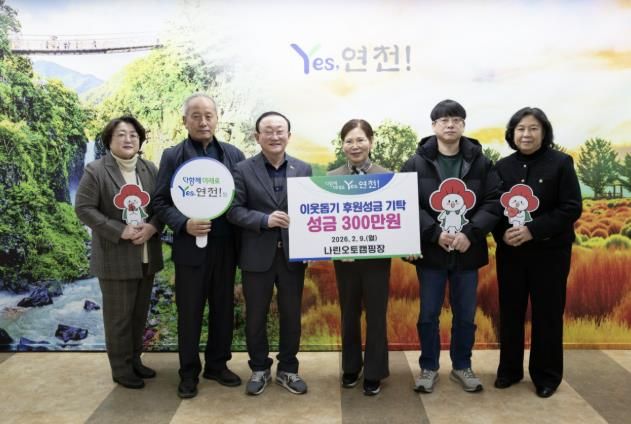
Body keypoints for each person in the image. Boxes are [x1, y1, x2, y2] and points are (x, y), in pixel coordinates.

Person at [401, 99, 502, 393]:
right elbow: (406, 202)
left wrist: (471, 233)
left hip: (468, 251)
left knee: (465, 315)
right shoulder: (415, 163)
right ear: (434, 125)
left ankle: (462, 366)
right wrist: (434, 233)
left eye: (456, 120)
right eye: (444, 120)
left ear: (463, 125)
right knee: (428, 314)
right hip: (432, 252)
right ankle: (428, 367)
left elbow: (494, 201)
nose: (450, 125)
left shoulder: (481, 162)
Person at [152, 93, 245, 399]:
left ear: (217, 119)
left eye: (208, 115)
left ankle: (217, 365)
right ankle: (188, 372)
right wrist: (183, 223)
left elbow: (242, 199)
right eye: (196, 116)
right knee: (190, 312)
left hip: (226, 247)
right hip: (189, 249)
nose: (203, 121)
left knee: (223, 309)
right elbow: (160, 201)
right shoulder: (172, 156)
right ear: (185, 121)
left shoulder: (233, 155)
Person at [493, 107, 582, 398]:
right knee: (510, 312)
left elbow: (571, 207)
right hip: (511, 253)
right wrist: (502, 233)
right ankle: (509, 370)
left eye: (533, 128)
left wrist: (533, 230)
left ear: (544, 132)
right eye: (520, 129)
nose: (526, 134)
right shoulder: (502, 167)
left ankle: (547, 376)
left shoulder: (561, 163)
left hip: (550, 253)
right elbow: (494, 207)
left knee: (548, 313)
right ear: (512, 134)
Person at [227, 111, 312, 396]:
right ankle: (259, 369)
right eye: (268, 131)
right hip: (256, 255)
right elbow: (233, 210)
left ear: (289, 135)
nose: (275, 136)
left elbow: (311, 211)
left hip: (293, 256)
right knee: (255, 316)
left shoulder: (303, 168)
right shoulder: (242, 169)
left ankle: (288, 369)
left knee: (291, 316)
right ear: (257, 136)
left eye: (280, 131)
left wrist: (311, 244)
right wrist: (264, 220)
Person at [75, 116, 163, 389]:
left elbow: (162, 205)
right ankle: (121, 369)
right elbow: (84, 208)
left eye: (133, 135)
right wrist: (119, 230)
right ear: (109, 141)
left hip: (146, 254)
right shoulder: (96, 170)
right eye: (121, 134)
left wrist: (152, 227)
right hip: (115, 256)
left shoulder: (149, 168)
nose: (128, 139)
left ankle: (135, 360)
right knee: (118, 319)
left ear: (140, 140)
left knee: (138, 315)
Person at [328, 119, 391, 396]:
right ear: (343, 145)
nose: (355, 146)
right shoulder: (331, 179)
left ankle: (375, 371)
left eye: (360, 140)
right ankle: (351, 366)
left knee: (376, 315)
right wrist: (338, 247)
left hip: (378, 259)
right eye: (349, 141)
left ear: (371, 142)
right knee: (349, 313)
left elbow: (396, 219)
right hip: (345, 261)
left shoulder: (387, 176)